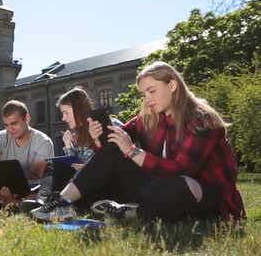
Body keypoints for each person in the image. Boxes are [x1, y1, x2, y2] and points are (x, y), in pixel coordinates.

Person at [31, 61, 246, 222]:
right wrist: (99, 138)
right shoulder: (150, 118)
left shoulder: (201, 119)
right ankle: (61, 202)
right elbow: (115, 141)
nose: (147, 99)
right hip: (157, 187)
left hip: (203, 197)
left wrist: (132, 151)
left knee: (176, 187)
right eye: (143, 94)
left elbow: (182, 170)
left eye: (152, 91)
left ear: (172, 85)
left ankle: (129, 211)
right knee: (117, 149)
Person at [0, 100, 54, 207]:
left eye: (14, 123)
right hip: (5, 186)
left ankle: (2, 201)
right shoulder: (0, 137)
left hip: (31, 186)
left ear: (27, 119)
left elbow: (38, 174)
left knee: (44, 191)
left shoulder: (43, 141)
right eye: (6, 125)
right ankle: (12, 202)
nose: (10, 129)